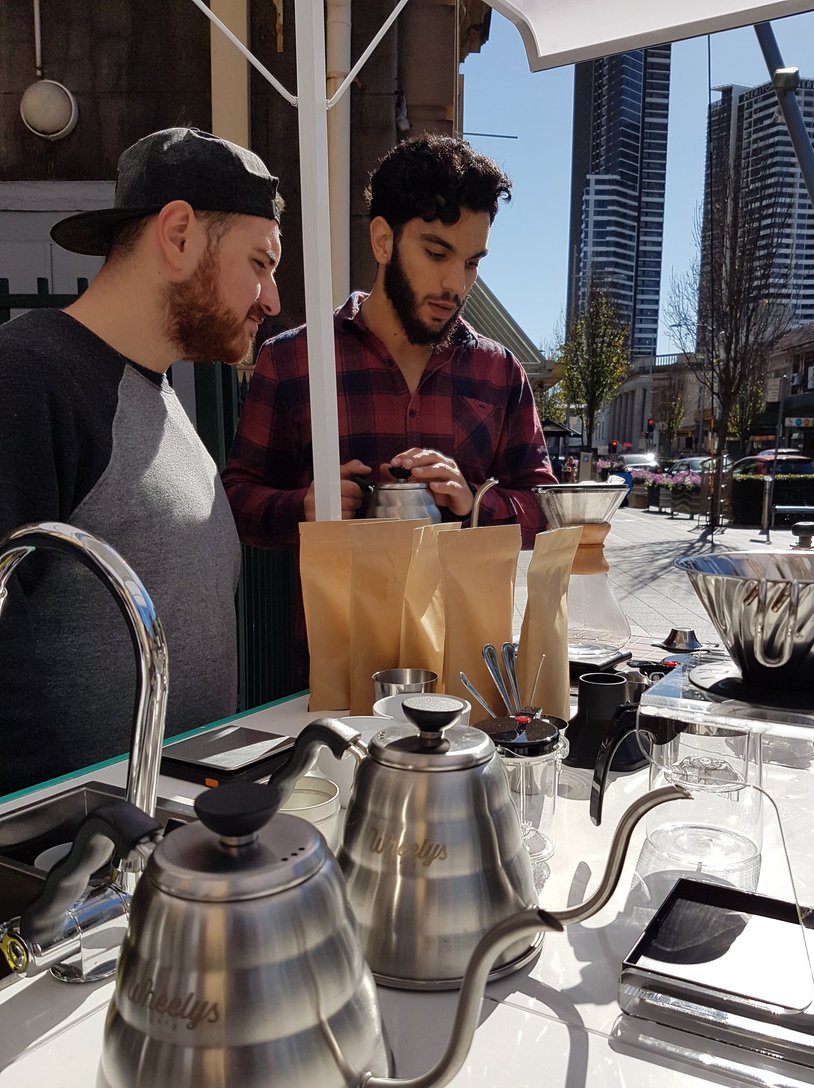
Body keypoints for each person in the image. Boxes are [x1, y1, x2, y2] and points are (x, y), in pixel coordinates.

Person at [0, 127, 283, 796]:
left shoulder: (158, 394)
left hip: (173, 833)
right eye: (261, 263)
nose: (272, 299)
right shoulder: (28, 376)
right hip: (79, 849)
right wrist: (65, 834)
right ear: (179, 234)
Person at [223, 133, 556, 685]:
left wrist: (475, 504)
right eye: (436, 253)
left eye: (472, 262)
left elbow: (546, 511)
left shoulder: (499, 372)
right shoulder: (294, 361)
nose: (455, 284)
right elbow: (236, 501)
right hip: (330, 682)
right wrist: (305, 507)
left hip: (464, 682)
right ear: (382, 240)